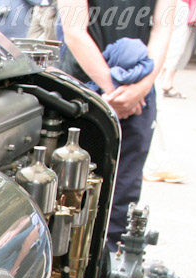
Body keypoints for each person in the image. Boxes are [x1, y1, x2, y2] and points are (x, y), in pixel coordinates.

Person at [57, 0, 175, 250]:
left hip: (137, 92)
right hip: (82, 87)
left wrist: (139, 89)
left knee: (122, 193)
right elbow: (74, 30)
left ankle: (107, 267)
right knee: (66, 189)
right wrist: (117, 90)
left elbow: (163, 30)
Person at [159, 0, 196, 97]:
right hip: (185, 6)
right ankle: (162, 82)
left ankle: (166, 82)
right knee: (177, 46)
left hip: (190, 6)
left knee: (183, 47)